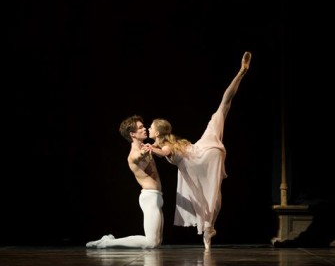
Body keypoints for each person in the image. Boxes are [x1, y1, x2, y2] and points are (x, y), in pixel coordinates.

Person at [143, 51, 251, 249]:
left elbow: (165, 152)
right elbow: (166, 150)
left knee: (208, 196)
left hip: (202, 156)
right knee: (223, 107)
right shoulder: (170, 142)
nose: (149, 128)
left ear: (157, 131)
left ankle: (209, 227)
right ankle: (241, 73)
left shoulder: (165, 144)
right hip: (208, 147)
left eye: (151, 126)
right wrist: (152, 149)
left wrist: (152, 149)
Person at [86, 115, 164, 249]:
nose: (144, 128)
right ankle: (107, 243)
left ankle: (107, 241)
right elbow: (138, 157)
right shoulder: (134, 154)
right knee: (151, 242)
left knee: (156, 242)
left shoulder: (147, 147)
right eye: (140, 128)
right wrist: (144, 152)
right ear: (132, 134)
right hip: (150, 198)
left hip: (157, 197)